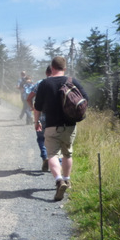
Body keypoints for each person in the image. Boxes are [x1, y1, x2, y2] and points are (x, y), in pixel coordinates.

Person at [33, 56, 89, 201]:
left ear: (51, 68)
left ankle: (59, 180)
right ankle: (67, 179)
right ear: (64, 69)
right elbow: (85, 98)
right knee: (67, 154)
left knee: (52, 155)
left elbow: (37, 107)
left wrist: (36, 121)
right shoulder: (72, 81)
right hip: (70, 125)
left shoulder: (45, 83)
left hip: (51, 125)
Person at [26, 66, 51, 172]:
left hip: (41, 116)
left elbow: (29, 98)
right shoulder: (62, 82)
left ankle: (45, 157)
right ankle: (58, 164)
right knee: (56, 141)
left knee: (41, 138)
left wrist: (32, 107)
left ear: (46, 73)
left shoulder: (40, 83)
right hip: (58, 119)